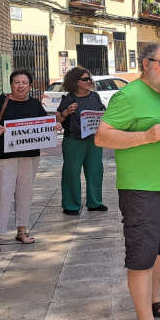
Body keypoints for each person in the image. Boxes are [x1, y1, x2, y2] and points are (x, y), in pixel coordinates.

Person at [95, 43, 160, 320]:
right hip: (142, 190)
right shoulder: (128, 96)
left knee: (159, 251)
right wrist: (145, 136)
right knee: (141, 258)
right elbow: (102, 137)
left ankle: (155, 301)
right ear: (146, 64)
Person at [0, 69, 62, 253]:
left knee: (25, 193)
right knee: (2, 194)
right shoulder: (2, 101)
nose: (20, 86)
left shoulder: (34, 104)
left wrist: (55, 126)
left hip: (29, 156)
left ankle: (22, 230)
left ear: (30, 86)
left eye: (24, 83)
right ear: (11, 84)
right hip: (3, 157)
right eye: (17, 82)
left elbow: (44, 126)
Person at [56, 67, 106, 216]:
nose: (89, 81)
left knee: (96, 171)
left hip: (93, 140)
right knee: (71, 172)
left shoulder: (95, 96)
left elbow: (102, 113)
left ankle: (95, 203)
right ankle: (71, 205)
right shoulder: (69, 99)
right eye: (85, 79)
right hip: (74, 140)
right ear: (75, 82)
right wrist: (66, 112)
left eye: (89, 78)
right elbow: (58, 119)